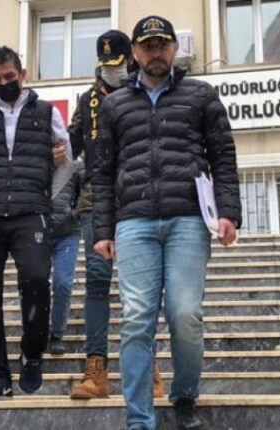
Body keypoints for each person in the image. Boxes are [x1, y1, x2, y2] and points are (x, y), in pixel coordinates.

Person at [92, 16, 242, 430]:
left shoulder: (201, 95)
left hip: (188, 221)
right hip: (133, 223)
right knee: (136, 318)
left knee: (185, 313)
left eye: (162, 43)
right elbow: (102, 171)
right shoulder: (114, 105)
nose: (155, 51)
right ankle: (139, 419)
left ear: (174, 48)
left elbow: (223, 157)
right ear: (134, 52)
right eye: (147, 45)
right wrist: (103, 229)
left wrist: (228, 212)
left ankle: (184, 395)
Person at [0, 46, 73, 401]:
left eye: (9, 77)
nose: (4, 83)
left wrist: (43, 195)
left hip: (30, 214)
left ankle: (32, 353)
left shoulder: (47, 112)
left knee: (37, 280)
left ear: (22, 74)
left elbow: (67, 161)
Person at [67, 30, 164, 400]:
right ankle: (96, 371)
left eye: (117, 63)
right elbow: (72, 141)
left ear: (131, 59)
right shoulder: (88, 99)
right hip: (95, 195)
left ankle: (147, 368)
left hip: (138, 193)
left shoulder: (148, 92)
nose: (111, 70)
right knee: (96, 278)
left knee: (140, 283)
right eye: (105, 64)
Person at [47, 159, 83, 355]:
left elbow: (88, 189)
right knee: (32, 283)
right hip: (36, 230)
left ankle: (57, 334)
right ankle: (35, 330)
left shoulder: (75, 166)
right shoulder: (35, 160)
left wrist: (74, 213)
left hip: (68, 233)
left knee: (62, 283)